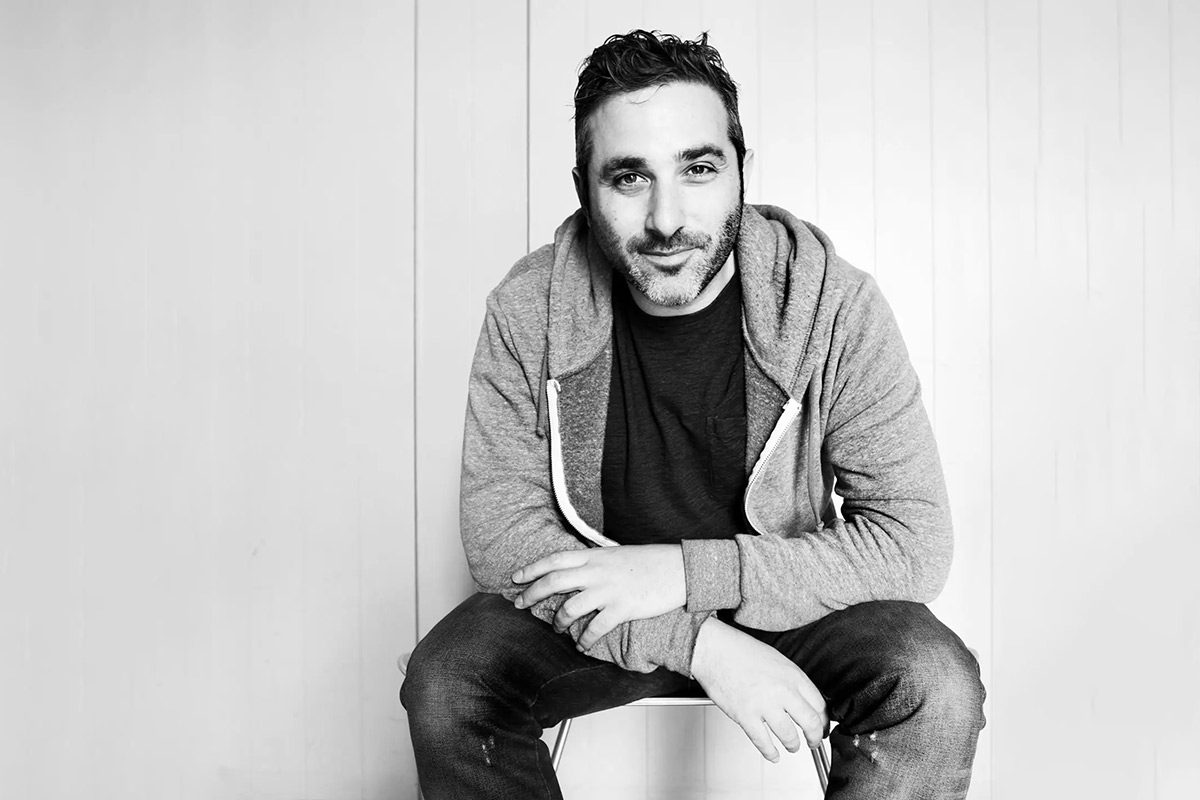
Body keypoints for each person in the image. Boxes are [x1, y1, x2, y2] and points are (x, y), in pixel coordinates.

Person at [401, 29, 985, 799]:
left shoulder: (832, 305)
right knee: (448, 681)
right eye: (629, 177)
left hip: (784, 598)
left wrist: (682, 574)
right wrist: (698, 642)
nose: (667, 218)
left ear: (742, 168)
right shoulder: (528, 307)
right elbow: (504, 538)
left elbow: (914, 541)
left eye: (699, 168)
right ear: (583, 188)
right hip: (600, 607)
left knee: (934, 682)